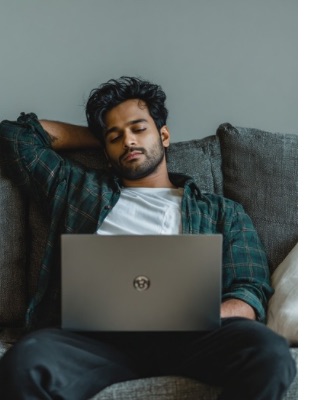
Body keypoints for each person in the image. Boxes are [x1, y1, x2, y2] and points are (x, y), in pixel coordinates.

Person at [0, 76, 296, 399]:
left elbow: (250, 292)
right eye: (115, 136)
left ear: (164, 135)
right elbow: (15, 137)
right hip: (96, 342)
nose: (128, 141)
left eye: (139, 128)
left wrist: (195, 315)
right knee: (23, 363)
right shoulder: (79, 191)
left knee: (271, 354)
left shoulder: (221, 212)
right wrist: (100, 134)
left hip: (193, 338)